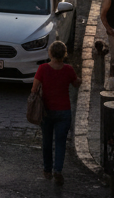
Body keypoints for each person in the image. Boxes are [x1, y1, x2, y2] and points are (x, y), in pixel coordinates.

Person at [30, 40, 80, 185]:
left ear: (50, 53)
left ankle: (47, 170)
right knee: (60, 142)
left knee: (47, 141)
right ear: (64, 54)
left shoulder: (43, 68)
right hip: (64, 112)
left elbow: (34, 89)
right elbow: (76, 83)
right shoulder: (69, 69)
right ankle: (58, 170)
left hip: (46, 111)